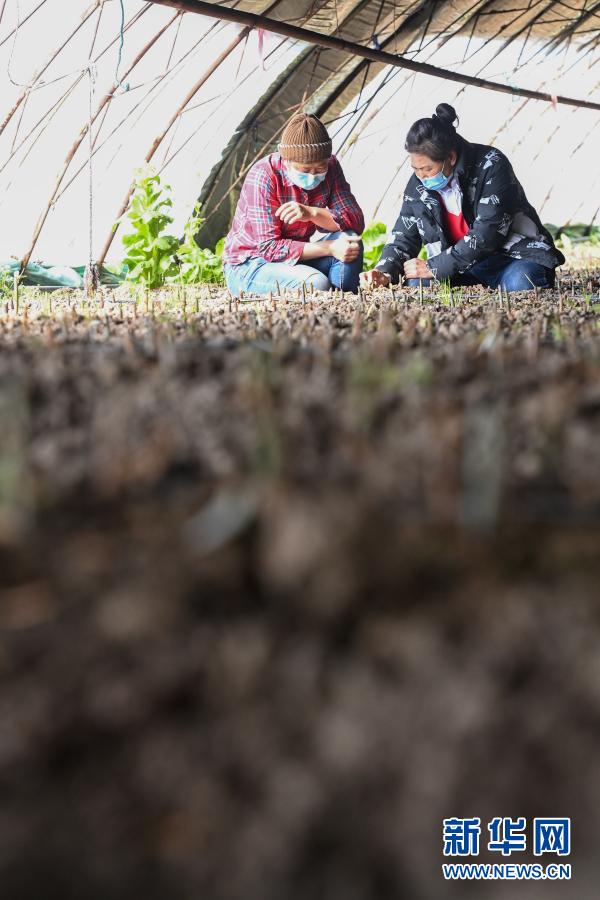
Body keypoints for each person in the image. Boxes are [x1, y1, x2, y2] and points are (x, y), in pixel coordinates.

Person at [361, 103, 565, 293]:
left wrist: (435, 267)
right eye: (415, 169)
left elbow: (488, 232)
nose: (421, 176)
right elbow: (404, 235)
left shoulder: (491, 165)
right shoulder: (417, 186)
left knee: (522, 283)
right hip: (460, 267)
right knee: (417, 284)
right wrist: (384, 272)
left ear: (450, 157)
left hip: (512, 258)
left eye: (427, 169)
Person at [222, 113, 365, 296]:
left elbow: (355, 220)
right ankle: (328, 296)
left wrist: (312, 213)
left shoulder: (332, 166)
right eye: (305, 170)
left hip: (294, 260)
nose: (313, 175)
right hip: (251, 264)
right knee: (316, 283)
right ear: (286, 160)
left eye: (320, 168)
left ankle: (343, 298)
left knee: (349, 239)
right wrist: (329, 248)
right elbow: (269, 249)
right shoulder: (264, 175)